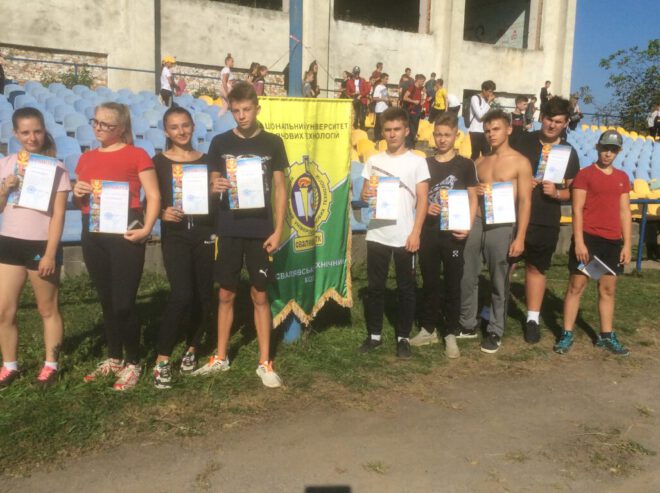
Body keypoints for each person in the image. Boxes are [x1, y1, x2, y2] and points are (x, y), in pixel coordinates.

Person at [193, 82, 287, 388]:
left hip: (261, 231)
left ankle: (265, 361)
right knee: (226, 293)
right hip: (229, 228)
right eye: (236, 111)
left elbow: (280, 189)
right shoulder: (220, 142)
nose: (242, 115)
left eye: (247, 109)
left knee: (260, 294)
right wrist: (214, 186)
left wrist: (279, 229)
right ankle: (221, 357)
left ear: (257, 108)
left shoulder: (273, 143)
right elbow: (211, 184)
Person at [73, 103, 161, 391]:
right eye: (96, 122)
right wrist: (77, 192)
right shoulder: (86, 157)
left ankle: (133, 361)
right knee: (107, 301)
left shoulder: (137, 154)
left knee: (124, 303)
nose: (98, 128)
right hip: (93, 232)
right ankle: (114, 357)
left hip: (126, 232)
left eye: (106, 124)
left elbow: (154, 195)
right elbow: (79, 202)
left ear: (121, 128)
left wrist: (146, 229)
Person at [0, 108, 71, 389]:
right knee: (3, 311)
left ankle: (51, 365)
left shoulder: (56, 168)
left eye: (37, 131)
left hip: (41, 245)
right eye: (26, 132)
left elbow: (59, 215)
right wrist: (5, 189)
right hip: (9, 242)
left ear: (44, 131)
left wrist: (50, 253)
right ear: (16, 134)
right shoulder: (6, 164)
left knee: (47, 308)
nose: (32, 137)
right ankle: (9, 366)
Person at [151, 107, 217, 389]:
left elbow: (214, 199)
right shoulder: (158, 162)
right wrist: (160, 213)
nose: (181, 131)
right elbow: (148, 200)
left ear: (193, 126)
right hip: (176, 235)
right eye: (175, 127)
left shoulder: (207, 160)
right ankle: (162, 359)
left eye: (185, 125)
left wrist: (215, 191)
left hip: (204, 233)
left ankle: (192, 347)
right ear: (166, 131)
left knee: (204, 295)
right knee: (181, 295)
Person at [359, 107, 429, 358]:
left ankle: (403, 337)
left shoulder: (417, 162)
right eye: (387, 130)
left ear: (406, 131)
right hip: (377, 233)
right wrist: (365, 193)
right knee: (375, 287)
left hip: (404, 235)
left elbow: (423, 200)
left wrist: (416, 232)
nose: (392, 134)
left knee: (406, 288)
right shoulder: (374, 161)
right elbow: (364, 194)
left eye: (397, 129)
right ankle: (374, 335)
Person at [459, 109, 532, 353]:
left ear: (509, 129)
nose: (491, 134)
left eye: (496, 129)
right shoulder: (479, 162)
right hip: (478, 221)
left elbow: (525, 202)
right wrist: (476, 191)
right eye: (487, 130)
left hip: (502, 224)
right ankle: (467, 323)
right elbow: (469, 194)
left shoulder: (520, 162)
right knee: (468, 274)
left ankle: (495, 329)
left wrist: (520, 237)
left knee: (499, 278)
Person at [556, 130, 631, 356]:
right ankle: (567, 333)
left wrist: (627, 244)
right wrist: (579, 242)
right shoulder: (585, 175)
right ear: (598, 147)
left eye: (613, 149)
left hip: (612, 242)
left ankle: (606, 335)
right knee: (576, 287)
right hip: (589, 240)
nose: (608, 153)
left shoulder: (622, 178)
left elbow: (625, 212)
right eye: (605, 148)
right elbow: (577, 209)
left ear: (618, 152)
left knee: (607, 289)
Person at [511, 96, 580, 343]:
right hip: (515, 214)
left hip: (546, 218)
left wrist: (558, 193)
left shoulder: (569, 152)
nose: (552, 125)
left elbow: (574, 191)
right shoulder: (522, 141)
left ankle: (532, 319)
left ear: (566, 123)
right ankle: (493, 309)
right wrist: (519, 182)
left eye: (559, 121)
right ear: (542, 118)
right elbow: (503, 173)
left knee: (536, 267)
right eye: (549, 119)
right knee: (507, 264)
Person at [411, 113, 478, 358]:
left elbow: (473, 198)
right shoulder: (424, 164)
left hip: (454, 234)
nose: (442, 139)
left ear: (456, 136)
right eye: (438, 134)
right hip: (429, 232)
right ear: (433, 135)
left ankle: (450, 332)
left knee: (453, 282)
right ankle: (428, 328)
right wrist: (426, 207)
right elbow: (416, 197)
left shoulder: (466, 164)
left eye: (447, 135)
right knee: (429, 281)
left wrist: (468, 225)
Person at [468, 80, 496, 160]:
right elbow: (480, 116)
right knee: (475, 154)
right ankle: (472, 167)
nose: (490, 94)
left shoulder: (486, 101)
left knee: (487, 153)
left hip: (485, 130)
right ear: (484, 90)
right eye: (489, 91)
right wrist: (489, 102)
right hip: (475, 130)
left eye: (492, 92)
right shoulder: (475, 98)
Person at [402, 74, 426, 149]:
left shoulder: (421, 88)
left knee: (415, 128)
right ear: (418, 80)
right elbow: (405, 97)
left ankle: (412, 145)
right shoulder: (412, 87)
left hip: (417, 110)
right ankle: (409, 145)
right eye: (422, 81)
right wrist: (413, 101)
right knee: (411, 128)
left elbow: (422, 97)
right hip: (411, 111)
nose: (423, 83)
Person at [372, 73, 390, 141]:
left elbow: (385, 97)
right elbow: (374, 98)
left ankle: (381, 138)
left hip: (385, 109)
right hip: (379, 109)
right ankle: (376, 138)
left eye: (387, 79)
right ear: (382, 79)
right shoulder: (378, 87)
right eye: (386, 79)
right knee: (378, 125)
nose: (387, 80)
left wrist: (388, 100)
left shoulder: (384, 87)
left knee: (383, 124)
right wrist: (383, 99)